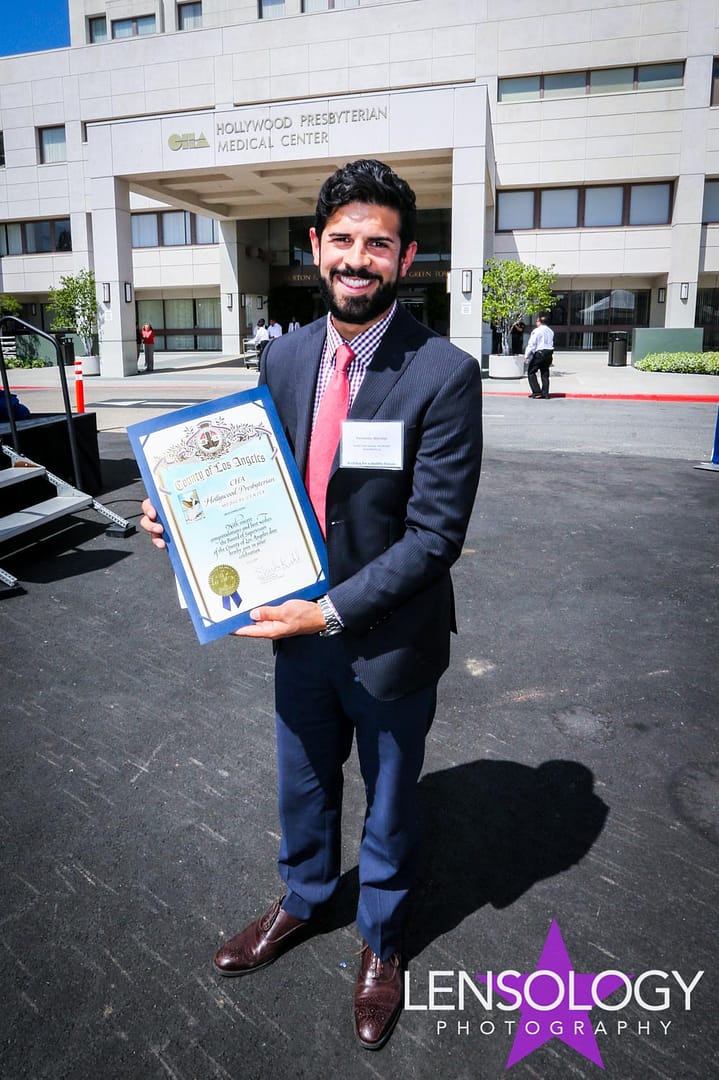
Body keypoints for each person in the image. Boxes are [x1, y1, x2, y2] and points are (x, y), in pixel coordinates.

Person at [140, 159, 483, 1051]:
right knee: (301, 784)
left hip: (389, 640)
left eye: (378, 242)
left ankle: (379, 939)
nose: (357, 258)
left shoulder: (443, 373)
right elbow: (255, 483)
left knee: (392, 801)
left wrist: (327, 613)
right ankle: (301, 899)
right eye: (342, 240)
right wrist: (183, 515)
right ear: (315, 248)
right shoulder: (285, 354)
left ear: (405, 257)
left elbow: (433, 538)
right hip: (293, 633)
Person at [525, 315, 554, 398]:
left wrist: (527, 355)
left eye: (537, 321)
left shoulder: (537, 331)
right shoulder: (550, 331)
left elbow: (532, 344)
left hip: (540, 353)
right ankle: (545, 393)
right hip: (549, 353)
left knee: (531, 372)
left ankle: (536, 391)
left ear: (540, 322)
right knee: (545, 373)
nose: (536, 322)